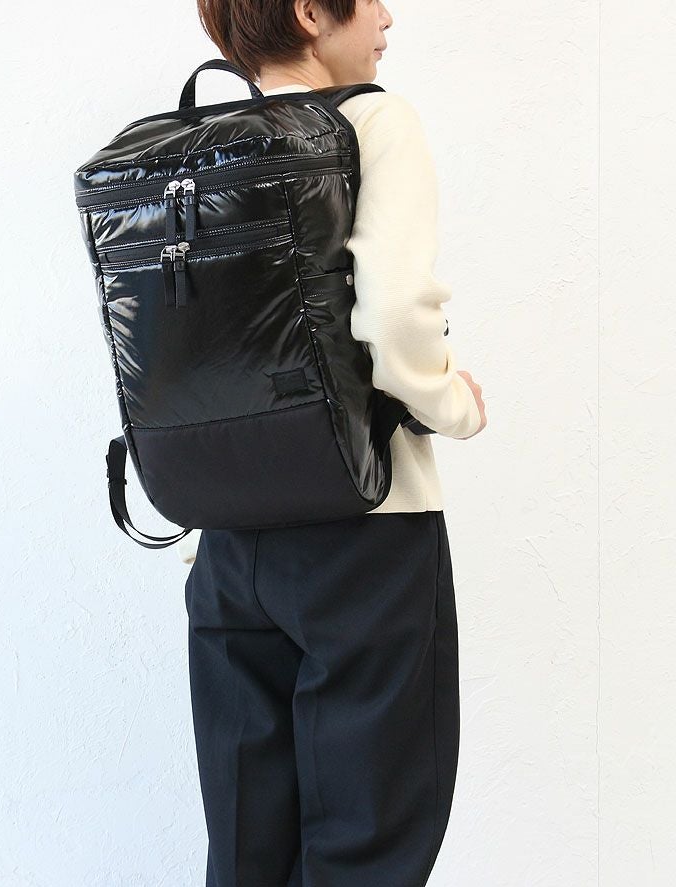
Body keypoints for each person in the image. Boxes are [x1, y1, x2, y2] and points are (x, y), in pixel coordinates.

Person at [183, 2, 488, 884]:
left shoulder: (201, 144)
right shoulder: (372, 121)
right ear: (312, 12)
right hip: (365, 530)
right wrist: (452, 402)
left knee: (247, 850)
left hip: (228, 539)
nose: (388, 16)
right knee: (367, 846)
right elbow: (392, 318)